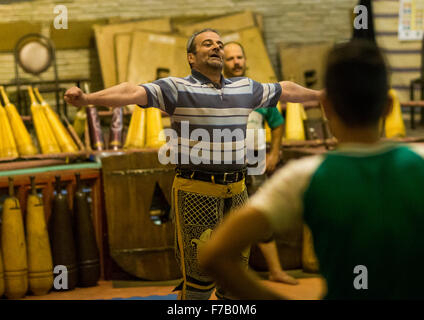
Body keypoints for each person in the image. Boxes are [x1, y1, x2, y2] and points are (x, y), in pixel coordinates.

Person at [64, 28, 321, 300]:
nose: (216, 48)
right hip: (196, 192)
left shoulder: (245, 87)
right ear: (191, 57)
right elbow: (131, 90)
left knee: (235, 278)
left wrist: (319, 97)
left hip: (237, 192)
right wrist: (88, 100)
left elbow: (286, 89)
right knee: (199, 282)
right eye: (207, 44)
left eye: (219, 44)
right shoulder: (176, 88)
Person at [199, 39, 424, 299]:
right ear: (389, 106)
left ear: (325, 106)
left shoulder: (304, 177)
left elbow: (213, 255)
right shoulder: (418, 164)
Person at [223, 41, 298, 285]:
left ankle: (275, 270)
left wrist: (274, 153)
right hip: (224, 166)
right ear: (222, 63)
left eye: (239, 57)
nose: (236, 62)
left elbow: (277, 124)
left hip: (255, 163)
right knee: (225, 218)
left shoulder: (259, 93)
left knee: (260, 214)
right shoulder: (216, 94)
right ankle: (228, 273)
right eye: (230, 58)